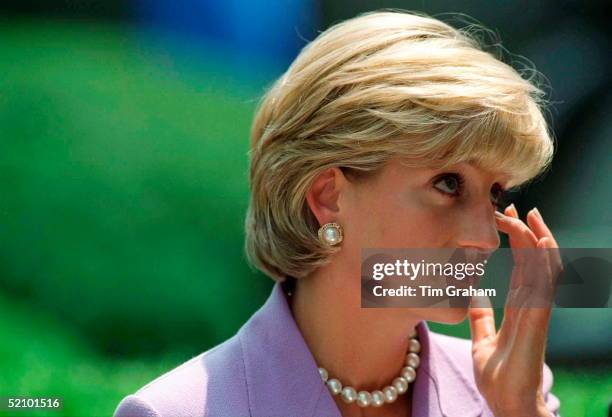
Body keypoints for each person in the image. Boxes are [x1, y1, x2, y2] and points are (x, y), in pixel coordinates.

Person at [114, 10, 561, 417]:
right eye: (448, 183)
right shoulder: (171, 412)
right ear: (328, 196)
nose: (486, 238)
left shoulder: (513, 394)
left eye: (495, 193)